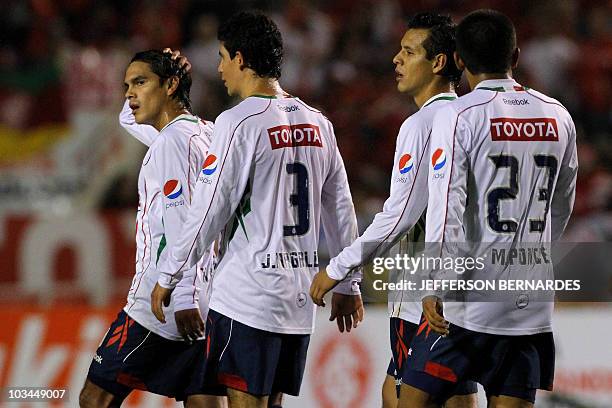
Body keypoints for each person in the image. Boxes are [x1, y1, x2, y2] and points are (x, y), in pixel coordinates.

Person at [150, 11, 364, 408]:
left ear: (241, 58)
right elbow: (340, 207)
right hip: (298, 302)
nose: (219, 68)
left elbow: (209, 208)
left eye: (222, 57)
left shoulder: (238, 122)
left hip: (248, 295)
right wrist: (349, 282)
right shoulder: (319, 123)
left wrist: (170, 273)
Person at [401, 9, 578, 408]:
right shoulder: (557, 114)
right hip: (529, 302)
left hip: (468, 299)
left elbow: (447, 205)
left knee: (406, 401)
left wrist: (434, 283)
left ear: (459, 61)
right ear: (515, 57)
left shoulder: (458, 115)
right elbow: (562, 204)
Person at [309, 12, 477, 408]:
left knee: (405, 396)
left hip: (425, 290)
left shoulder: (422, 124)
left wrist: (339, 267)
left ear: (438, 63)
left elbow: (398, 217)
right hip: (469, 285)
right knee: (435, 393)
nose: (395, 60)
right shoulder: (472, 116)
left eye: (408, 51)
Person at [80, 50, 224, 408]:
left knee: (94, 398)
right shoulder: (205, 133)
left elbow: (182, 221)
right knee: (203, 401)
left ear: (171, 85)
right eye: (127, 85)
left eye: (140, 83)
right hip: (208, 300)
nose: (129, 94)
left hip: (160, 302)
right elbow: (129, 118)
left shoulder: (170, 144)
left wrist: (183, 292)